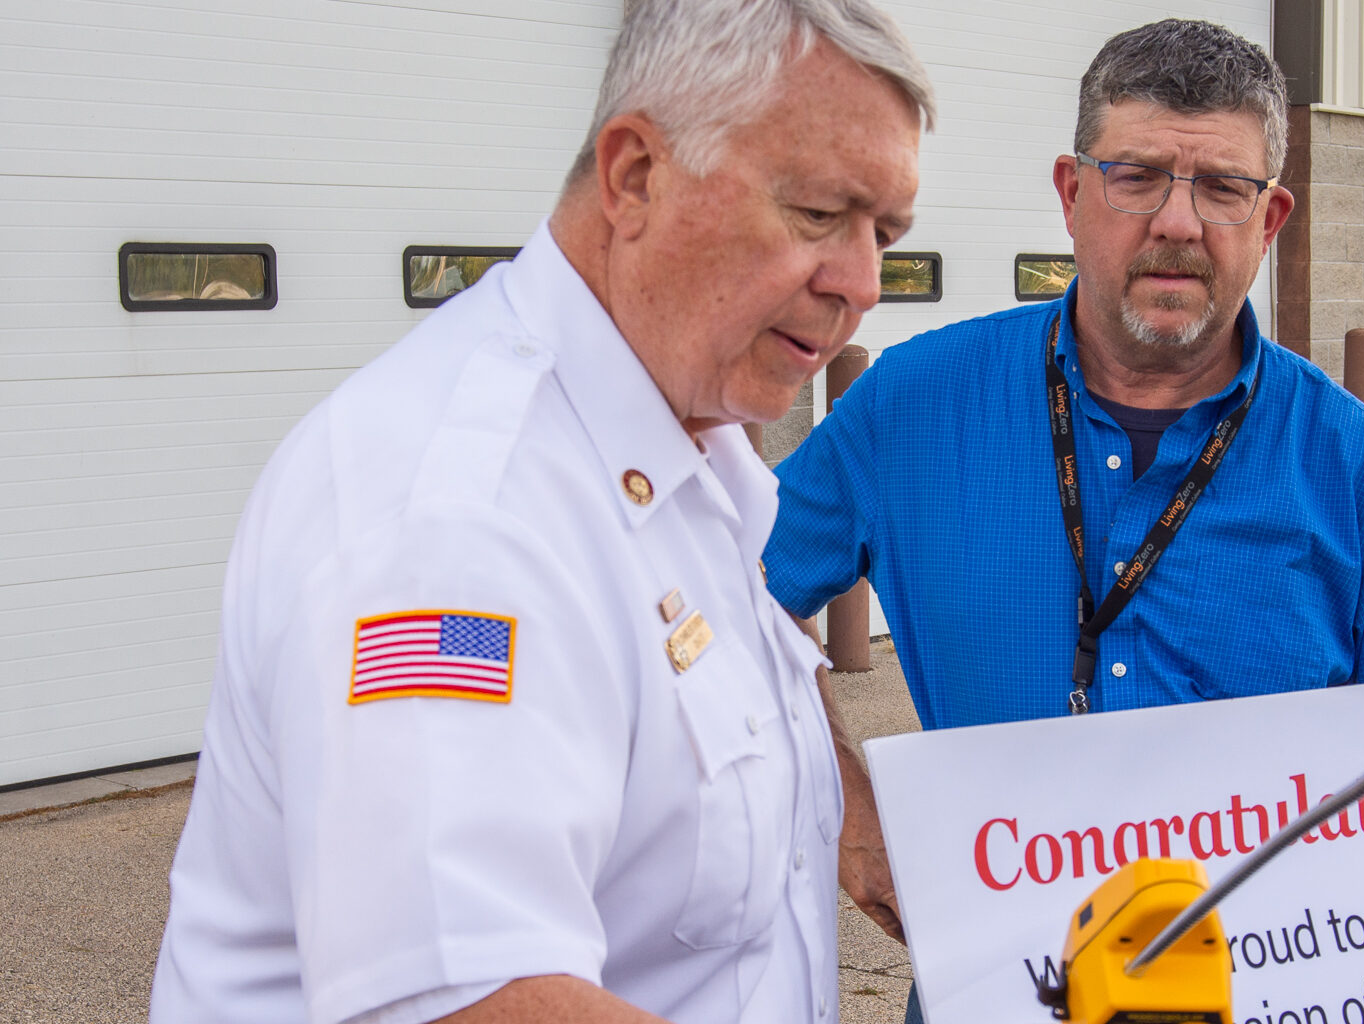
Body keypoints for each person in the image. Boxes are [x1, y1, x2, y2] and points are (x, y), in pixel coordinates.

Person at [150, 2, 931, 1022]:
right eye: (821, 214)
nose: (861, 283)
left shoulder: (683, 456)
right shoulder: (460, 517)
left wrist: (845, 823)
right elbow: (472, 998)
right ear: (635, 177)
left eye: (886, 233)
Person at [764, 19, 1364, 966]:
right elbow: (727, 599)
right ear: (1073, 194)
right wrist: (847, 811)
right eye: (1138, 175)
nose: (1178, 223)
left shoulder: (1355, 467)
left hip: (1280, 982)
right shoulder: (915, 407)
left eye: (1224, 188)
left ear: (1269, 222)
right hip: (999, 984)